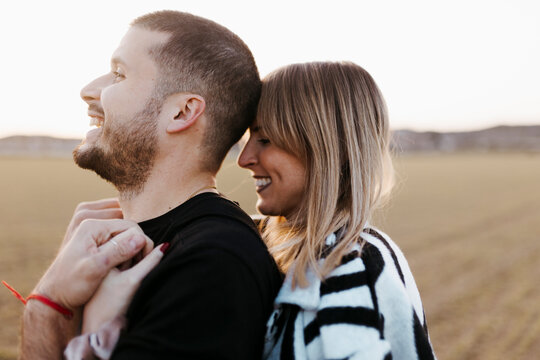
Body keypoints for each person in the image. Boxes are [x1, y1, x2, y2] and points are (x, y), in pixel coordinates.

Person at [67, 61, 437, 359]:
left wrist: (93, 336)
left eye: (265, 139)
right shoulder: (282, 244)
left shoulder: (347, 273)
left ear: (325, 147)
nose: (244, 159)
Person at [19, 10, 282, 359]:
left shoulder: (213, 267)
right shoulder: (131, 242)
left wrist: (46, 307)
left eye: (118, 74)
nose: (88, 90)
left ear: (182, 113)